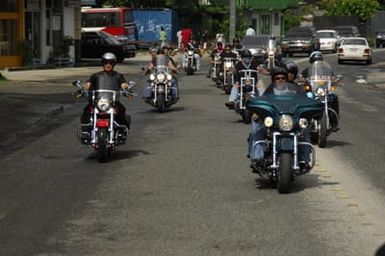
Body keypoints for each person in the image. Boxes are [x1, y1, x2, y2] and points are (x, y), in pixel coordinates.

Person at [248, 67, 310, 170]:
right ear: (273, 80)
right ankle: (257, 158)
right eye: (277, 78)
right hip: (274, 122)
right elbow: (262, 103)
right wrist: (257, 112)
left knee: (305, 131)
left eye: (283, 78)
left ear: (287, 80)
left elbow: (305, 101)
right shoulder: (269, 91)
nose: (280, 80)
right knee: (259, 131)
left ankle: (304, 159)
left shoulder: (296, 90)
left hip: (291, 121)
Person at [80, 52, 132, 136]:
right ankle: (86, 131)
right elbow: (88, 84)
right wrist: (83, 88)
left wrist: (127, 89)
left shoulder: (118, 76)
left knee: (122, 110)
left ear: (114, 64)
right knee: (87, 110)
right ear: (103, 63)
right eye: (106, 62)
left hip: (112, 101)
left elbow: (123, 84)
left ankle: (122, 131)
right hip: (98, 101)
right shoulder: (96, 76)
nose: (108, 65)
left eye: (111, 63)